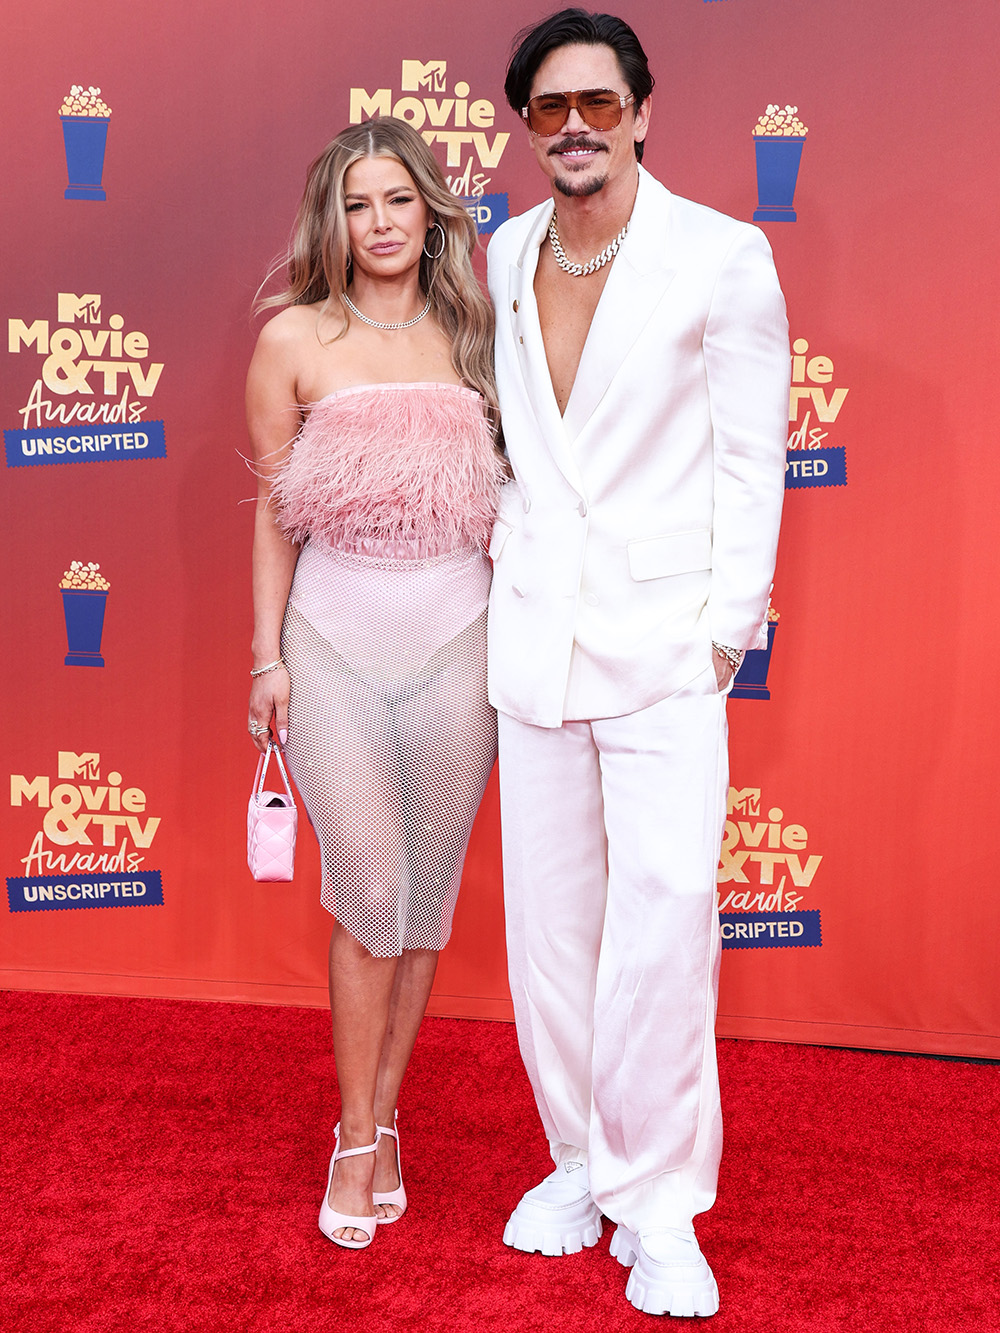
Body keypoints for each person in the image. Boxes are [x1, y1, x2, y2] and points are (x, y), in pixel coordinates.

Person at [486, 9, 789, 1317]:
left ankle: (660, 1204)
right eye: (548, 109)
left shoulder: (722, 256)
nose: (573, 129)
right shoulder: (504, 254)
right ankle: (579, 1162)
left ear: (643, 113)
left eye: (596, 105)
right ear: (526, 126)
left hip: (666, 645)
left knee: (659, 932)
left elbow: (750, 455)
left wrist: (728, 628)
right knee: (551, 937)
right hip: (533, 643)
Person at [245, 117, 504, 1251]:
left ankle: (385, 1114)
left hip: (464, 637)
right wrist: (268, 657)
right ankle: (356, 1135)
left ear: (431, 208)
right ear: (332, 220)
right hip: (332, 639)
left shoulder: (476, 333)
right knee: (369, 887)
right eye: (358, 204)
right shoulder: (293, 337)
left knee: (425, 904)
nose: (382, 222)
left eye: (399, 199)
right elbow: (271, 512)